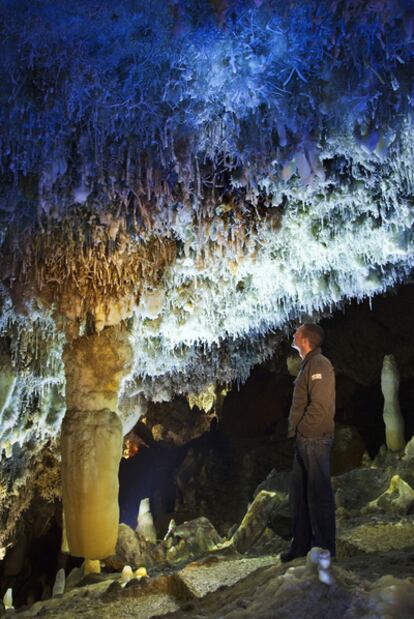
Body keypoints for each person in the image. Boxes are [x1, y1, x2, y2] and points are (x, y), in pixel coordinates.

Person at [280, 322, 336, 562]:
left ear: (306, 339)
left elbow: (320, 406)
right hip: (305, 441)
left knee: (319, 496)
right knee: (299, 497)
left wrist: (303, 430)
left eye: (298, 331)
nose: (294, 333)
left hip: (314, 440)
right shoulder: (307, 365)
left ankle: (324, 549)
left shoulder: (319, 365)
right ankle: (300, 546)